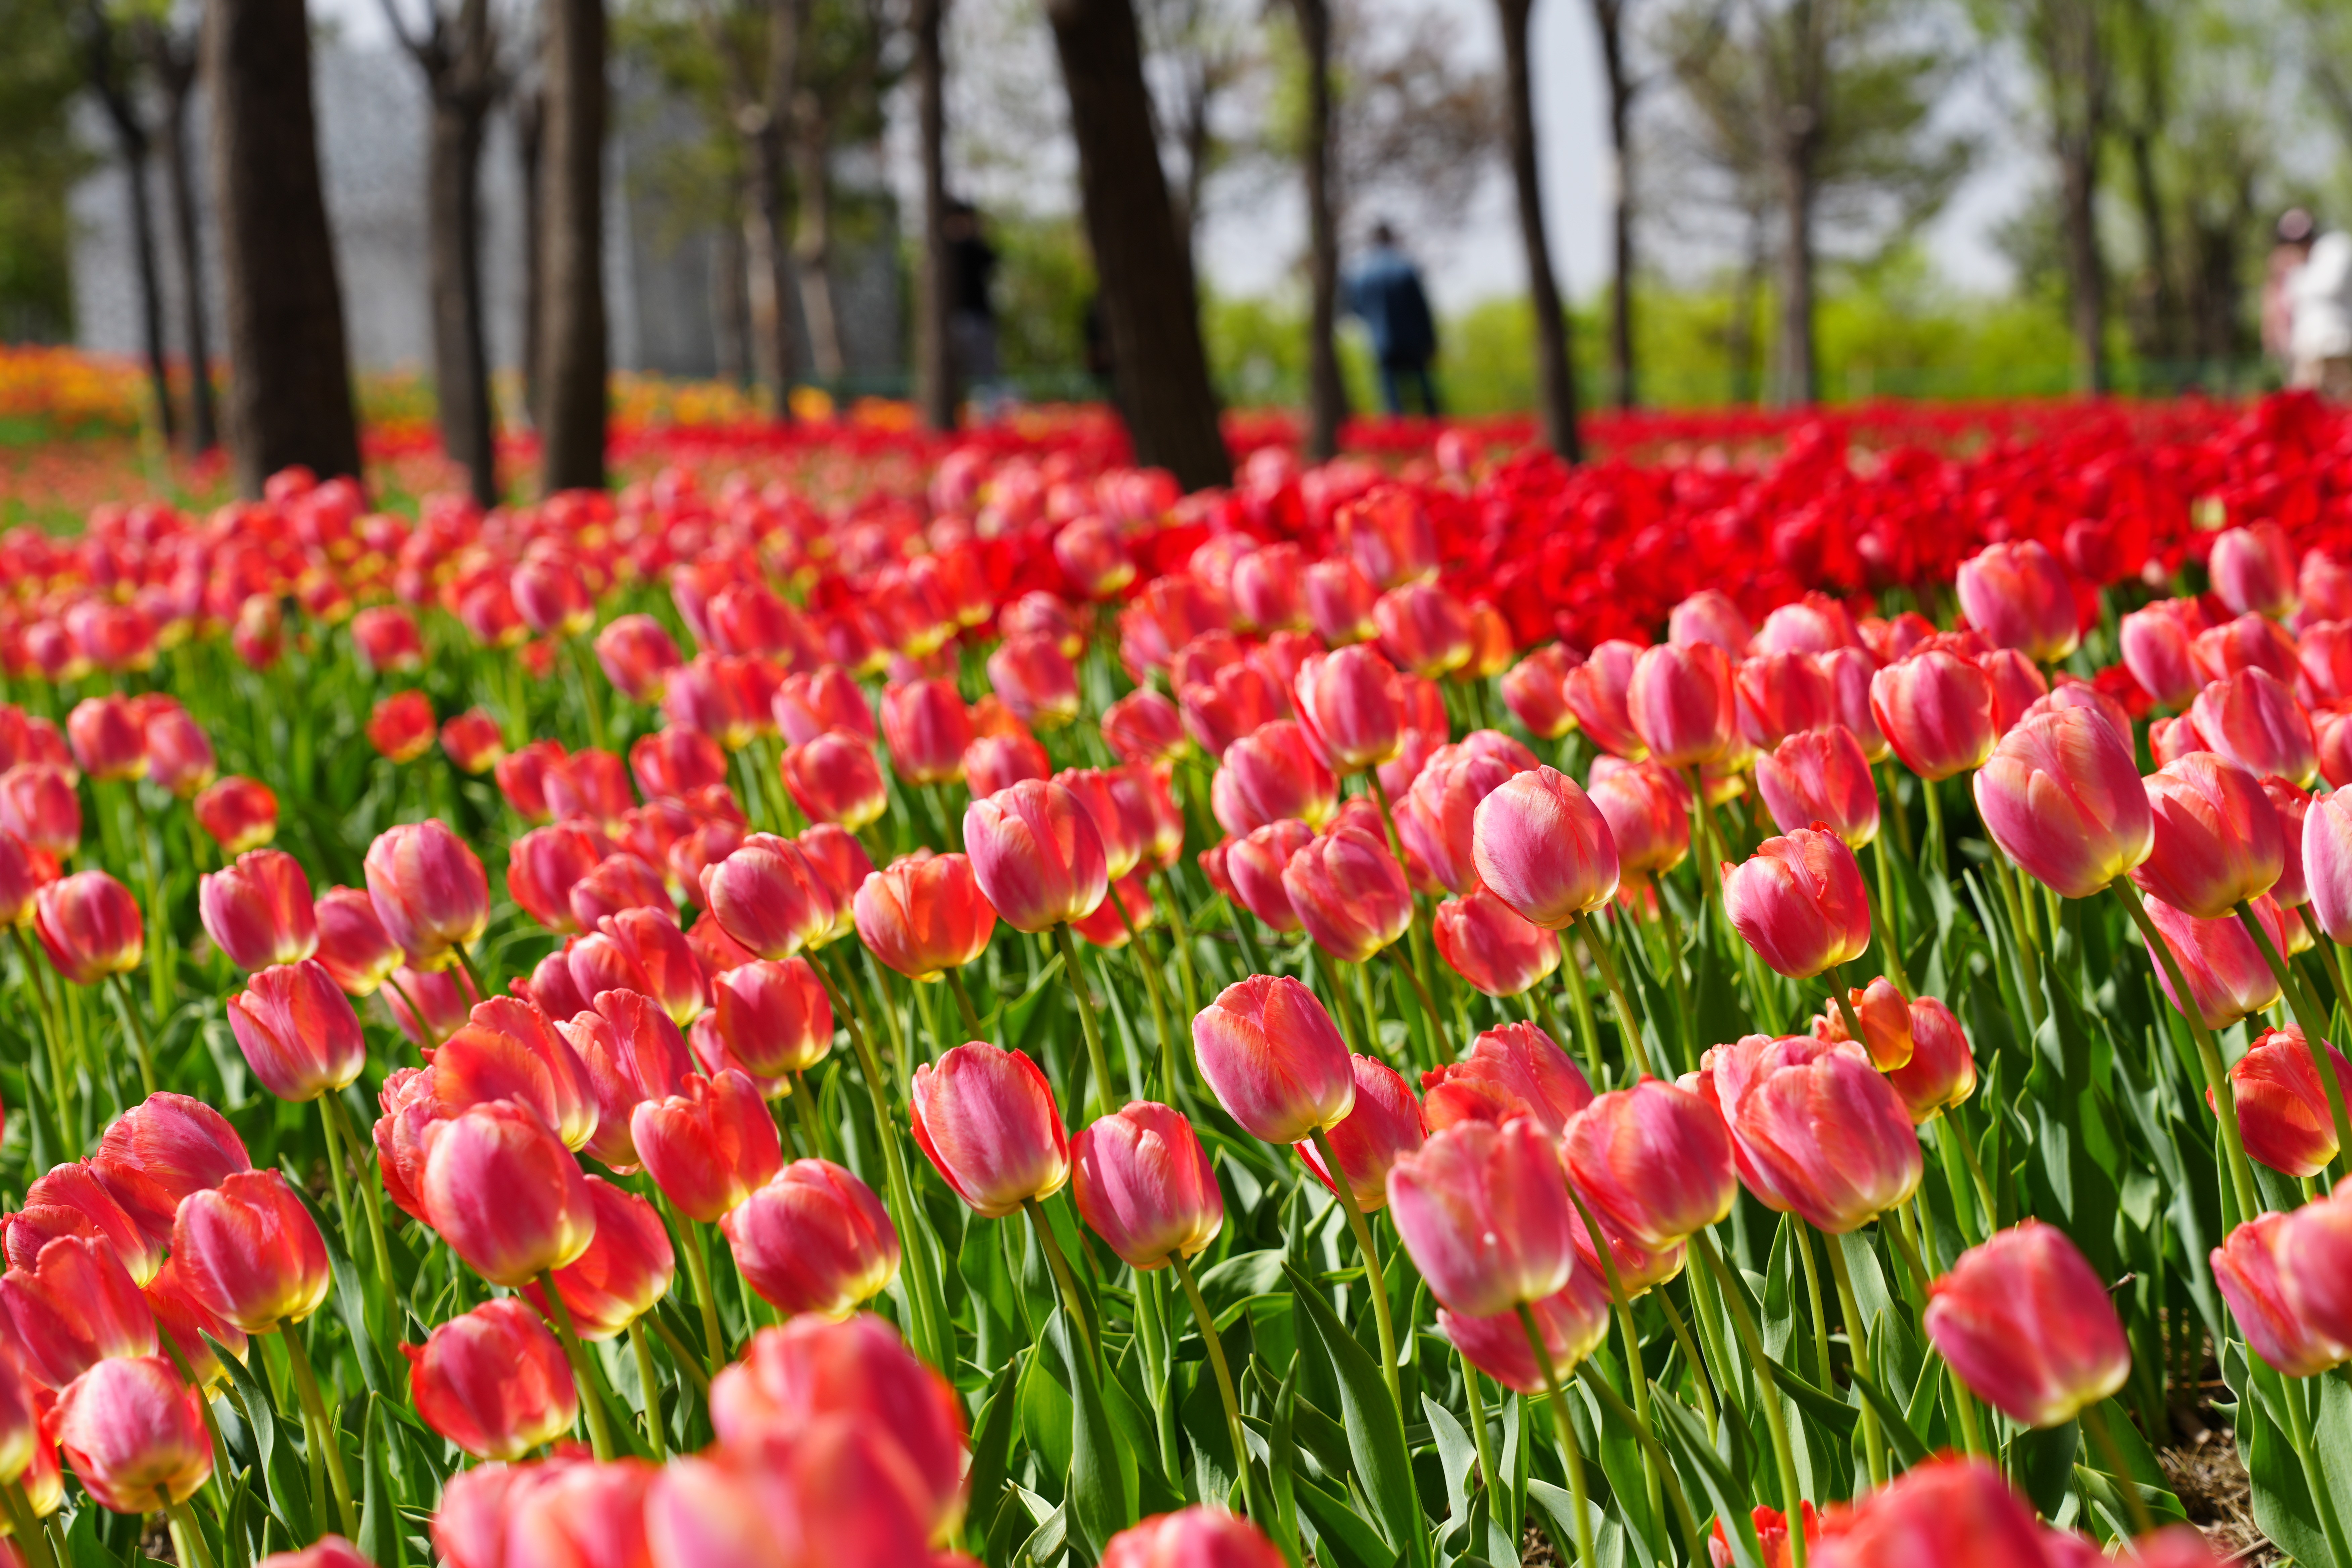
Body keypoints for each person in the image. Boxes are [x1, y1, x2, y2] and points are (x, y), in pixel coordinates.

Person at [1344, 222, 1441, 417]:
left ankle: (1398, 436)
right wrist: (1431, 339)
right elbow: (1421, 308)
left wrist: (1374, 321)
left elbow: (1353, 307)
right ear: (1391, 239)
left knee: (1391, 397)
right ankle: (1435, 430)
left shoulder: (1362, 274)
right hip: (1414, 341)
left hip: (1381, 342)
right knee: (1425, 390)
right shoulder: (1406, 268)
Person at [943, 200, 1002, 413]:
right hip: (953, 318)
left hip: (978, 317)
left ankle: (986, 416)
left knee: (985, 373)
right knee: (957, 373)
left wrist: (976, 234)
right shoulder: (945, 249)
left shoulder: (975, 247)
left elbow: (992, 260)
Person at [2288, 217, 2352, 400]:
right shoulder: (2300, 263)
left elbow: (2331, 286)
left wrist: (2299, 276)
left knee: (2340, 395)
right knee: (2306, 399)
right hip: (2307, 344)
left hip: (2334, 340)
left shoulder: (2335, 247)